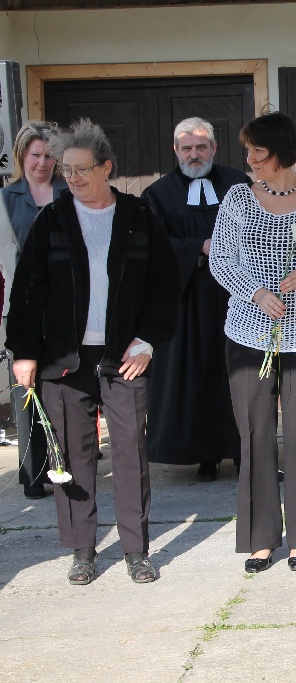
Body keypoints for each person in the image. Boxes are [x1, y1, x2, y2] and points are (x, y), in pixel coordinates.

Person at [6, 118, 180, 584]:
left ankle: (136, 550)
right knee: (72, 455)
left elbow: (164, 287)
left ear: (106, 167)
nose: (73, 177)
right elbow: (27, 292)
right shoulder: (52, 220)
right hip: (64, 359)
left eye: (82, 169)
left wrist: (147, 341)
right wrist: (24, 352)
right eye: (66, 170)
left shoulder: (139, 216)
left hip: (125, 355)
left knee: (129, 454)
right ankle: (82, 550)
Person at [209, 111, 296, 573]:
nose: (249, 160)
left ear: (283, 153)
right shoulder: (238, 198)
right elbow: (221, 260)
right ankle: (260, 538)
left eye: (259, 152)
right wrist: (254, 292)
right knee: (255, 436)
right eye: (248, 151)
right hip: (248, 333)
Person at [141, 117, 251, 482]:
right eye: (186, 148)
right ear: (175, 151)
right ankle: (205, 455)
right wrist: (198, 247)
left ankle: (246, 455)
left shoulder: (239, 184)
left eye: (201, 147)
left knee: (241, 375)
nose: (194, 154)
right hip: (187, 303)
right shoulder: (158, 194)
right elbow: (153, 248)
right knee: (196, 378)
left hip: (238, 297)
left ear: (214, 148)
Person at [0, 120, 67, 499]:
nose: (42, 162)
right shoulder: (5, 199)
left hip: (65, 308)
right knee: (25, 392)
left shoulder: (69, 193)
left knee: (63, 388)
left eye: (49, 156)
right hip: (22, 306)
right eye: (35, 155)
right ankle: (32, 474)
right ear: (22, 156)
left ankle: (66, 465)